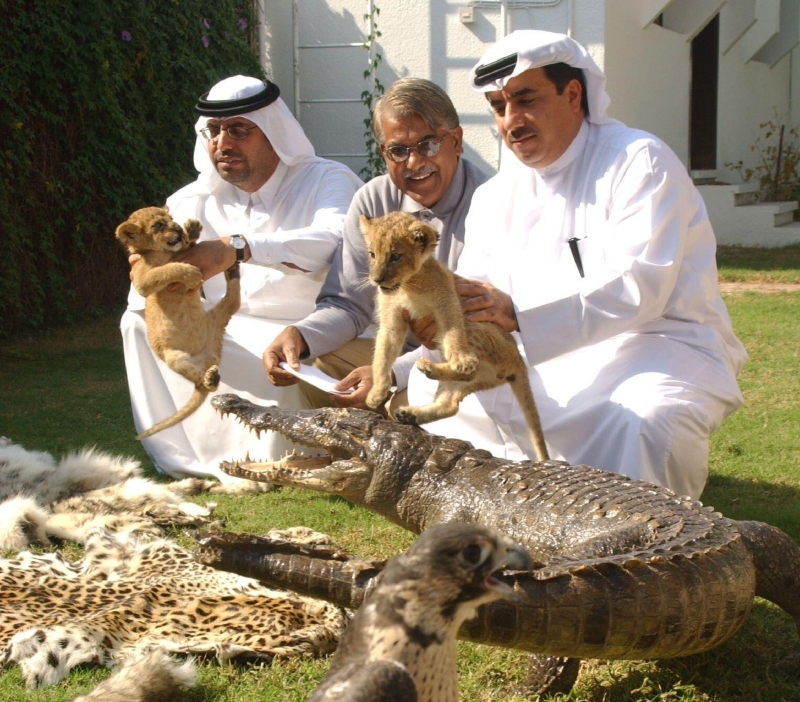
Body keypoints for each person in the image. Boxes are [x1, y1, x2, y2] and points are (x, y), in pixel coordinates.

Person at [404, 30, 748, 501]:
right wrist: (430, 337)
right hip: (534, 352)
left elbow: (642, 287)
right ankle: (510, 523)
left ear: (573, 95)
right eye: (499, 107)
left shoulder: (638, 161)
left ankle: (645, 552)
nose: (510, 120)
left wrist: (518, 315)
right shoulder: (494, 196)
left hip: (657, 345)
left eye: (524, 99)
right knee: (434, 396)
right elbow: (480, 303)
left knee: (649, 422)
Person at [120, 75, 361, 480]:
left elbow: (333, 239)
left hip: (307, 329)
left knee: (274, 350)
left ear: (273, 131)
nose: (222, 143)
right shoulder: (189, 200)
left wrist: (238, 247)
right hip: (225, 328)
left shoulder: (325, 179)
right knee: (138, 320)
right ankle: (185, 458)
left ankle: (279, 456)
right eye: (212, 132)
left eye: (237, 130)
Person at [263, 78, 487, 408]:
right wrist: (300, 336)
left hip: (466, 355)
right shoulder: (373, 200)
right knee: (325, 371)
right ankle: (342, 460)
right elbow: (348, 303)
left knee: (407, 407)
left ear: (456, 141)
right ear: (383, 153)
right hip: (396, 348)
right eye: (398, 151)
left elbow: (476, 328)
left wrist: (390, 375)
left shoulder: (490, 203)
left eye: (428, 145)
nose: (414, 163)